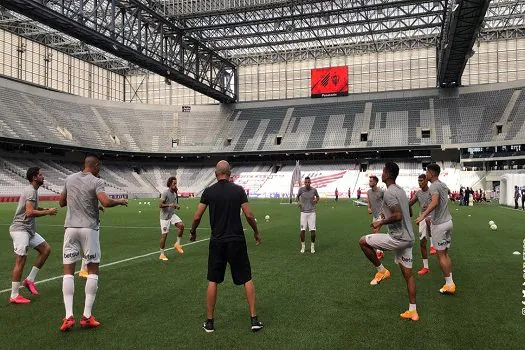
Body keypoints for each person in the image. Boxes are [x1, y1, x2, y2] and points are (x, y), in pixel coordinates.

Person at [190, 160, 263, 333]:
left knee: (213, 280)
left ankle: (209, 322)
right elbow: (249, 214)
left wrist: (193, 232)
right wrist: (256, 232)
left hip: (217, 242)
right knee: (246, 278)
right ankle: (254, 319)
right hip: (236, 240)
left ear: (216, 174)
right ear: (229, 174)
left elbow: (196, 216)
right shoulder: (238, 190)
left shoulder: (209, 192)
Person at [59, 155, 128, 332]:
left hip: (70, 229)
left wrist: (78, 202)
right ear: (95, 166)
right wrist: (119, 201)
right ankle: (87, 316)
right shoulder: (96, 181)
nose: (100, 170)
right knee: (92, 270)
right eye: (100, 167)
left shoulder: (69, 178)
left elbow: (61, 202)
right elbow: (105, 201)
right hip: (89, 229)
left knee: (68, 271)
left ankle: (68, 317)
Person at [358, 162, 418, 321]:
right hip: (409, 238)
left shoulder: (390, 193)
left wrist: (380, 222)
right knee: (408, 275)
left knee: (363, 241)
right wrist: (386, 216)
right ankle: (413, 311)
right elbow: (408, 212)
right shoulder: (401, 191)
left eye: (383, 171)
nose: (381, 173)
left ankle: (382, 270)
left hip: (398, 238)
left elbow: (398, 215)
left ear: (388, 175)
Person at [8, 167, 57, 304]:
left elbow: (31, 209)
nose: (43, 177)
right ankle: (14, 295)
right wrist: (47, 213)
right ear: (34, 177)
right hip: (20, 229)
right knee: (21, 259)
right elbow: (29, 212)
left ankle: (29, 280)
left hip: (28, 230)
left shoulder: (33, 191)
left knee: (45, 249)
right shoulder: (30, 190)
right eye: (41, 175)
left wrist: (45, 209)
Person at [416, 163, 455, 295]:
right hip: (449, 221)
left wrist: (423, 215)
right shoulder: (443, 184)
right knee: (445, 254)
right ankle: (450, 281)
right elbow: (446, 195)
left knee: (441, 256)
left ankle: (449, 284)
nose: (426, 174)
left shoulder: (433, 185)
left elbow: (434, 202)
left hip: (439, 224)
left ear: (431, 173)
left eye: (427, 172)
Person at [409, 174, 436, 276]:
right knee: (422, 243)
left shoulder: (432, 191)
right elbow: (410, 203)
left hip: (434, 218)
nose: (419, 183)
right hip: (422, 219)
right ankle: (426, 267)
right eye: (418, 181)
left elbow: (437, 203)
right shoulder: (418, 193)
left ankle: (433, 245)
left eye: (421, 181)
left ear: (426, 181)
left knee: (441, 249)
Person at [159, 176, 184, 261]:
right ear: (170, 184)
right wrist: (169, 205)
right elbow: (160, 205)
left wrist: (176, 206)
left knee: (181, 226)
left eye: (176, 183)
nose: (175, 185)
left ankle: (177, 244)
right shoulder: (165, 193)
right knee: (164, 235)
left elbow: (174, 204)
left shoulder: (174, 193)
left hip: (172, 214)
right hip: (164, 217)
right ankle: (162, 254)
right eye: (174, 183)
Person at [297, 177, 320, 254]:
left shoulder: (314, 190)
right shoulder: (301, 190)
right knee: (302, 231)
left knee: (313, 231)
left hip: (312, 213)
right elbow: (297, 196)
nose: (307, 183)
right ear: (304, 183)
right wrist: (298, 202)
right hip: (303, 212)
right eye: (306, 182)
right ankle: (303, 247)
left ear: (310, 182)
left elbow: (318, 197)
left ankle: (312, 247)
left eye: (308, 182)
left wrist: (316, 200)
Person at [366, 176, 384, 260]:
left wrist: (384, 211)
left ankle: (378, 252)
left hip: (381, 214)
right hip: (375, 215)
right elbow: (369, 202)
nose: (369, 182)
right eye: (369, 181)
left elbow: (386, 202)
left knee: (376, 231)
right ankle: (381, 251)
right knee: (375, 232)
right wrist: (369, 208)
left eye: (371, 181)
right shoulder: (369, 192)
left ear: (376, 182)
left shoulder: (381, 191)